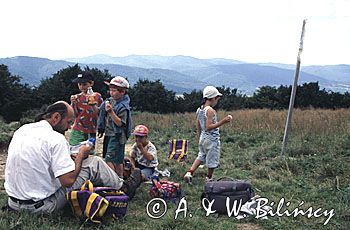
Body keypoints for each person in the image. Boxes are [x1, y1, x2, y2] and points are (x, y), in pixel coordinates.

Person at [4, 101, 133, 214]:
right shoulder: (56, 139)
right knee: (93, 163)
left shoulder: (22, 130)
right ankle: (123, 188)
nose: (70, 127)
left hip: (13, 203)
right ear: (56, 117)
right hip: (41, 206)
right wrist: (81, 156)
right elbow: (68, 181)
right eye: (69, 122)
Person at [184, 86, 232, 184]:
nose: (217, 102)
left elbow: (198, 124)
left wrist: (199, 136)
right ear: (213, 98)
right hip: (211, 139)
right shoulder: (210, 110)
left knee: (201, 155)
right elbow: (209, 126)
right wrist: (224, 121)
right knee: (212, 159)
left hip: (203, 137)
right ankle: (209, 178)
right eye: (217, 99)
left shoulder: (200, 109)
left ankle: (189, 173)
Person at [97, 76, 132, 177]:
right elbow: (99, 112)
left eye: (114, 91)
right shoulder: (109, 101)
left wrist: (111, 112)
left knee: (109, 159)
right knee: (117, 160)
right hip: (109, 133)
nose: (111, 93)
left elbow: (120, 123)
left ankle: (113, 180)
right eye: (110, 90)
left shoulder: (123, 107)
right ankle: (120, 180)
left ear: (122, 92)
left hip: (117, 136)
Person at [69, 71, 103, 152]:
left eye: (84, 84)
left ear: (91, 84)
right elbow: (75, 114)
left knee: (88, 152)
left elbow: (100, 113)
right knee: (74, 150)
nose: (82, 87)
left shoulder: (97, 96)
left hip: (91, 130)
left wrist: (93, 104)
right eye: (79, 84)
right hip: (78, 128)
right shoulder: (77, 97)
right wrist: (73, 104)